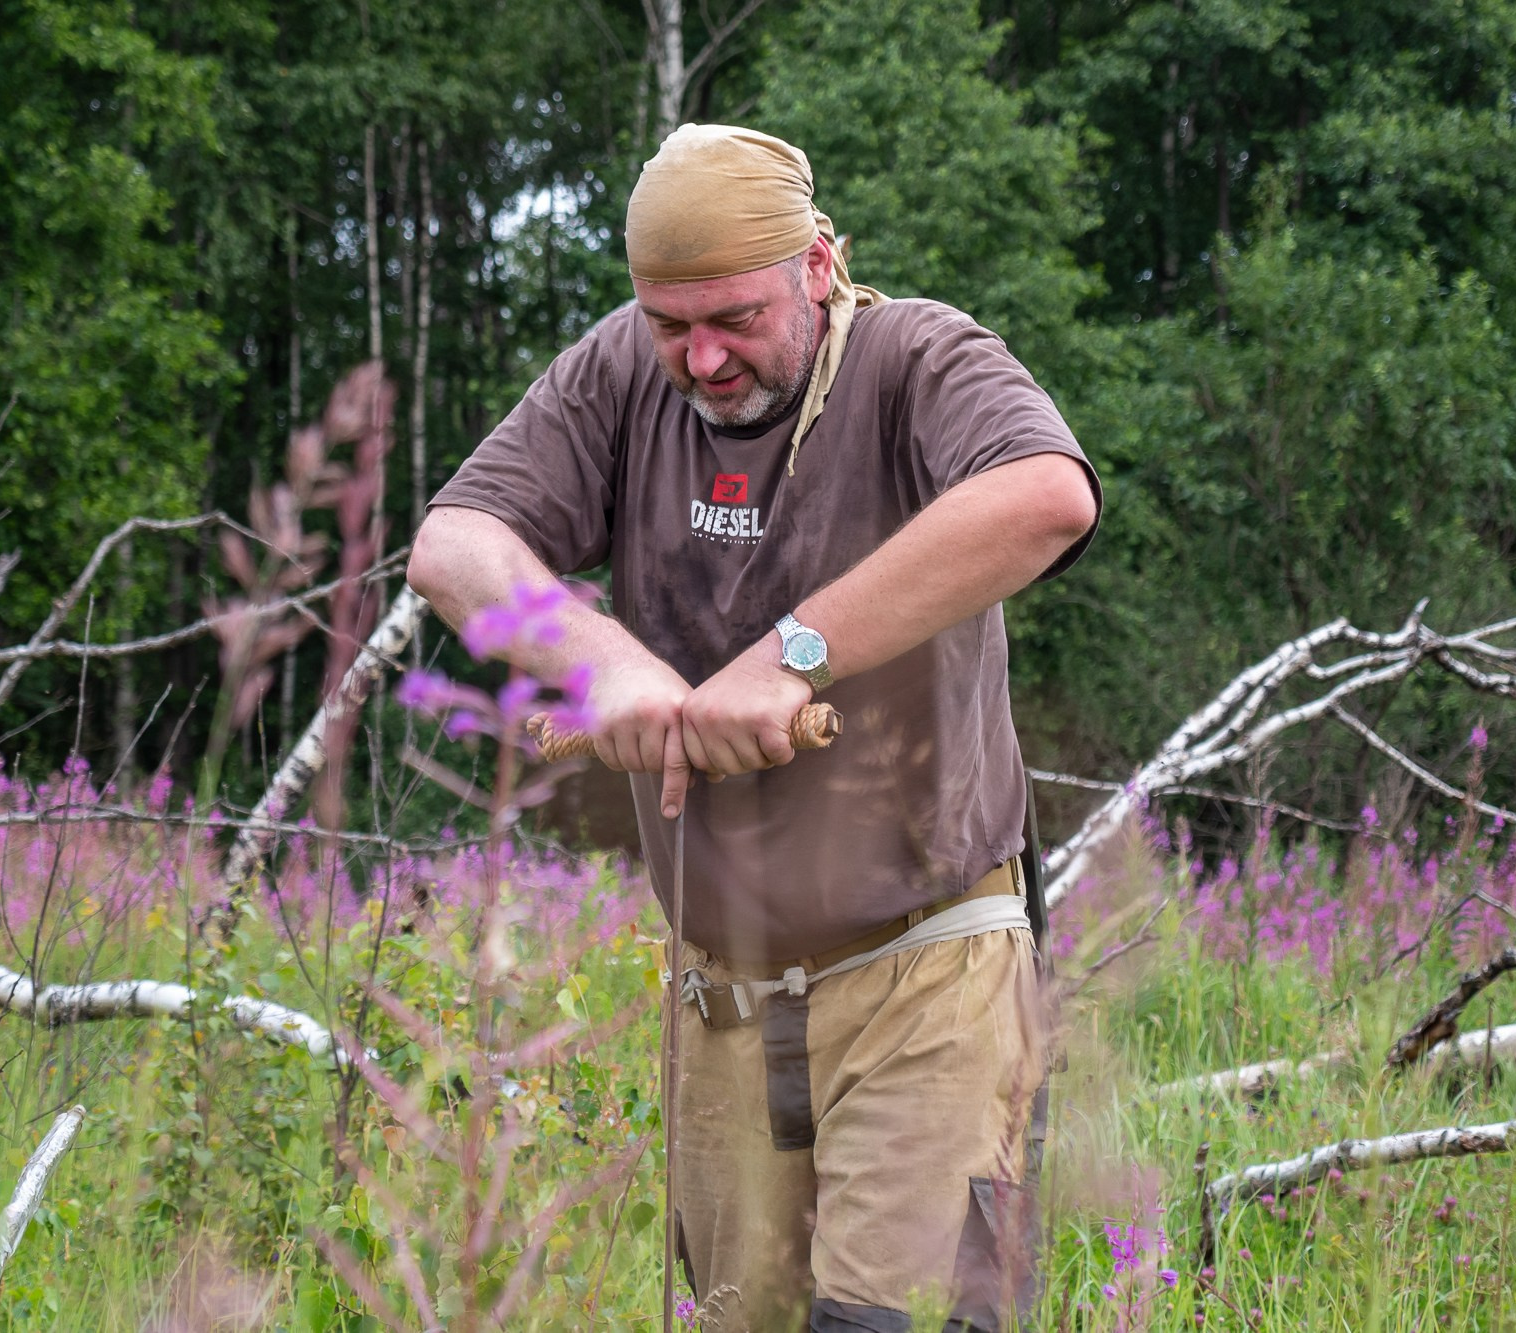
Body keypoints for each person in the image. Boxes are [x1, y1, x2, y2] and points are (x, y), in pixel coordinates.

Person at [406, 123, 1101, 1331]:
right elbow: (453, 545)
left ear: (817, 266)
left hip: (927, 969)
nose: (702, 358)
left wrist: (792, 654)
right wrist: (605, 669)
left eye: (731, 318)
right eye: (670, 323)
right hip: (719, 999)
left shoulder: (916, 357)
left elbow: (1045, 494)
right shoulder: (619, 373)